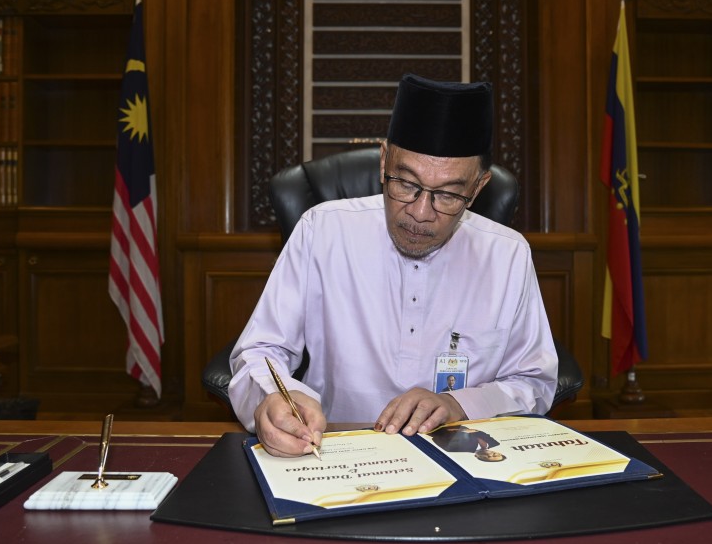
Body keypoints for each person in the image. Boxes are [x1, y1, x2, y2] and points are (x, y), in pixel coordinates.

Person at [228, 73, 558, 458]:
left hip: (464, 463)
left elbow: (535, 381)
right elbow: (260, 351)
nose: (419, 213)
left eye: (449, 195)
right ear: (384, 159)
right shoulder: (322, 230)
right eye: (405, 183)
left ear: (478, 188)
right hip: (333, 456)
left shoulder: (507, 255)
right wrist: (274, 398)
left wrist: (460, 404)